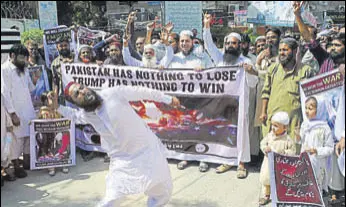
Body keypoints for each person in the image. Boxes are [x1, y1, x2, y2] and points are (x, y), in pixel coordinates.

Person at [54, 81, 180, 207]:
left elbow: (142, 91)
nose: (83, 91)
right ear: (76, 102)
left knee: (161, 190)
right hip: (122, 159)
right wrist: (56, 107)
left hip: (147, 150)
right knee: (112, 197)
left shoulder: (113, 93)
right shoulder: (87, 114)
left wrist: (167, 98)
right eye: (77, 93)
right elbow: (74, 116)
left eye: (81, 87)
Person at [203, 13, 258, 178]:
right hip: (222, 104)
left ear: (239, 45)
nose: (230, 46)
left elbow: (254, 82)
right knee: (224, 131)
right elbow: (209, 45)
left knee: (241, 133)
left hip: (239, 104)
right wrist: (206, 26)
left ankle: (241, 164)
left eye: (233, 43)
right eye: (227, 43)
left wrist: (250, 71)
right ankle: (227, 160)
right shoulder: (219, 59)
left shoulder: (246, 61)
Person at [260, 38, 314, 143]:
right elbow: (266, 92)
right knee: (272, 152)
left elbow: (311, 98)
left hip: (294, 123)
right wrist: (263, 112)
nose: (282, 53)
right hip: (274, 121)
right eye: (280, 50)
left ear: (294, 51)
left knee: (293, 153)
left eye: (285, 50)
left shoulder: (305, 71)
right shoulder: (273, 69)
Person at [1, 44, 36, 178]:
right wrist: (12, 113)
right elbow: (4, 93)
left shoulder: (24, 68)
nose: (24, 60)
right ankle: (15, 166)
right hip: (14, 111)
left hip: (28, 108)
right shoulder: (4, 69)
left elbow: (30, 88)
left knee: (28, 136)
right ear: (12, 56)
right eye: (22, 58)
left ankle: (26, 161)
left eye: (26, 58)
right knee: (15, 140)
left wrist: (36, 79)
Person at [295, 96, 334, 195]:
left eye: (310, 108)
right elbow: (302, 142)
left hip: (318, 165)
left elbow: (330, 148)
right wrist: (298, 137)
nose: (307, 111)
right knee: (304, 188)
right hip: (305, 162)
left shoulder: (325, 128)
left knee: (316, 190)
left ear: (319, 109)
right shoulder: (305, 124)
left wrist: (316, 151)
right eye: (306, 108)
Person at [294, 1, 345, 75]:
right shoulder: (324, 58)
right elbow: (308, 38)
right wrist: (297, 16)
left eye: (337, 45)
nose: (333, 47)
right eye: (332, 45)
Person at [259, 111, 296, 205]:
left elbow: (292, 151)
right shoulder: (270, 136)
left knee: (279, 182)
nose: (273, 128)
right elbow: (262, 143)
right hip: (268, 163)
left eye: (276, 126)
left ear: (285, 127)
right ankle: (266, 196)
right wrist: (265, 149)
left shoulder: (287, 139)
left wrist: (284, 153)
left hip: (280, 166)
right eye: (272, 125)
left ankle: (279, 198)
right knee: (267, 180)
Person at [38, 91, 69, 176]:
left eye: (52, 98)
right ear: (44, 101)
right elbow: (38, 122)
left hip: (58, 132)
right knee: (49, 149)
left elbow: (63, 119)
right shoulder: (42, 110)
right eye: (48, 99)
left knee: (62, 145)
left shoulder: (58, 109)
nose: (50, 100)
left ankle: (63, 163)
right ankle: (51, 167)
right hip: (48, 134)